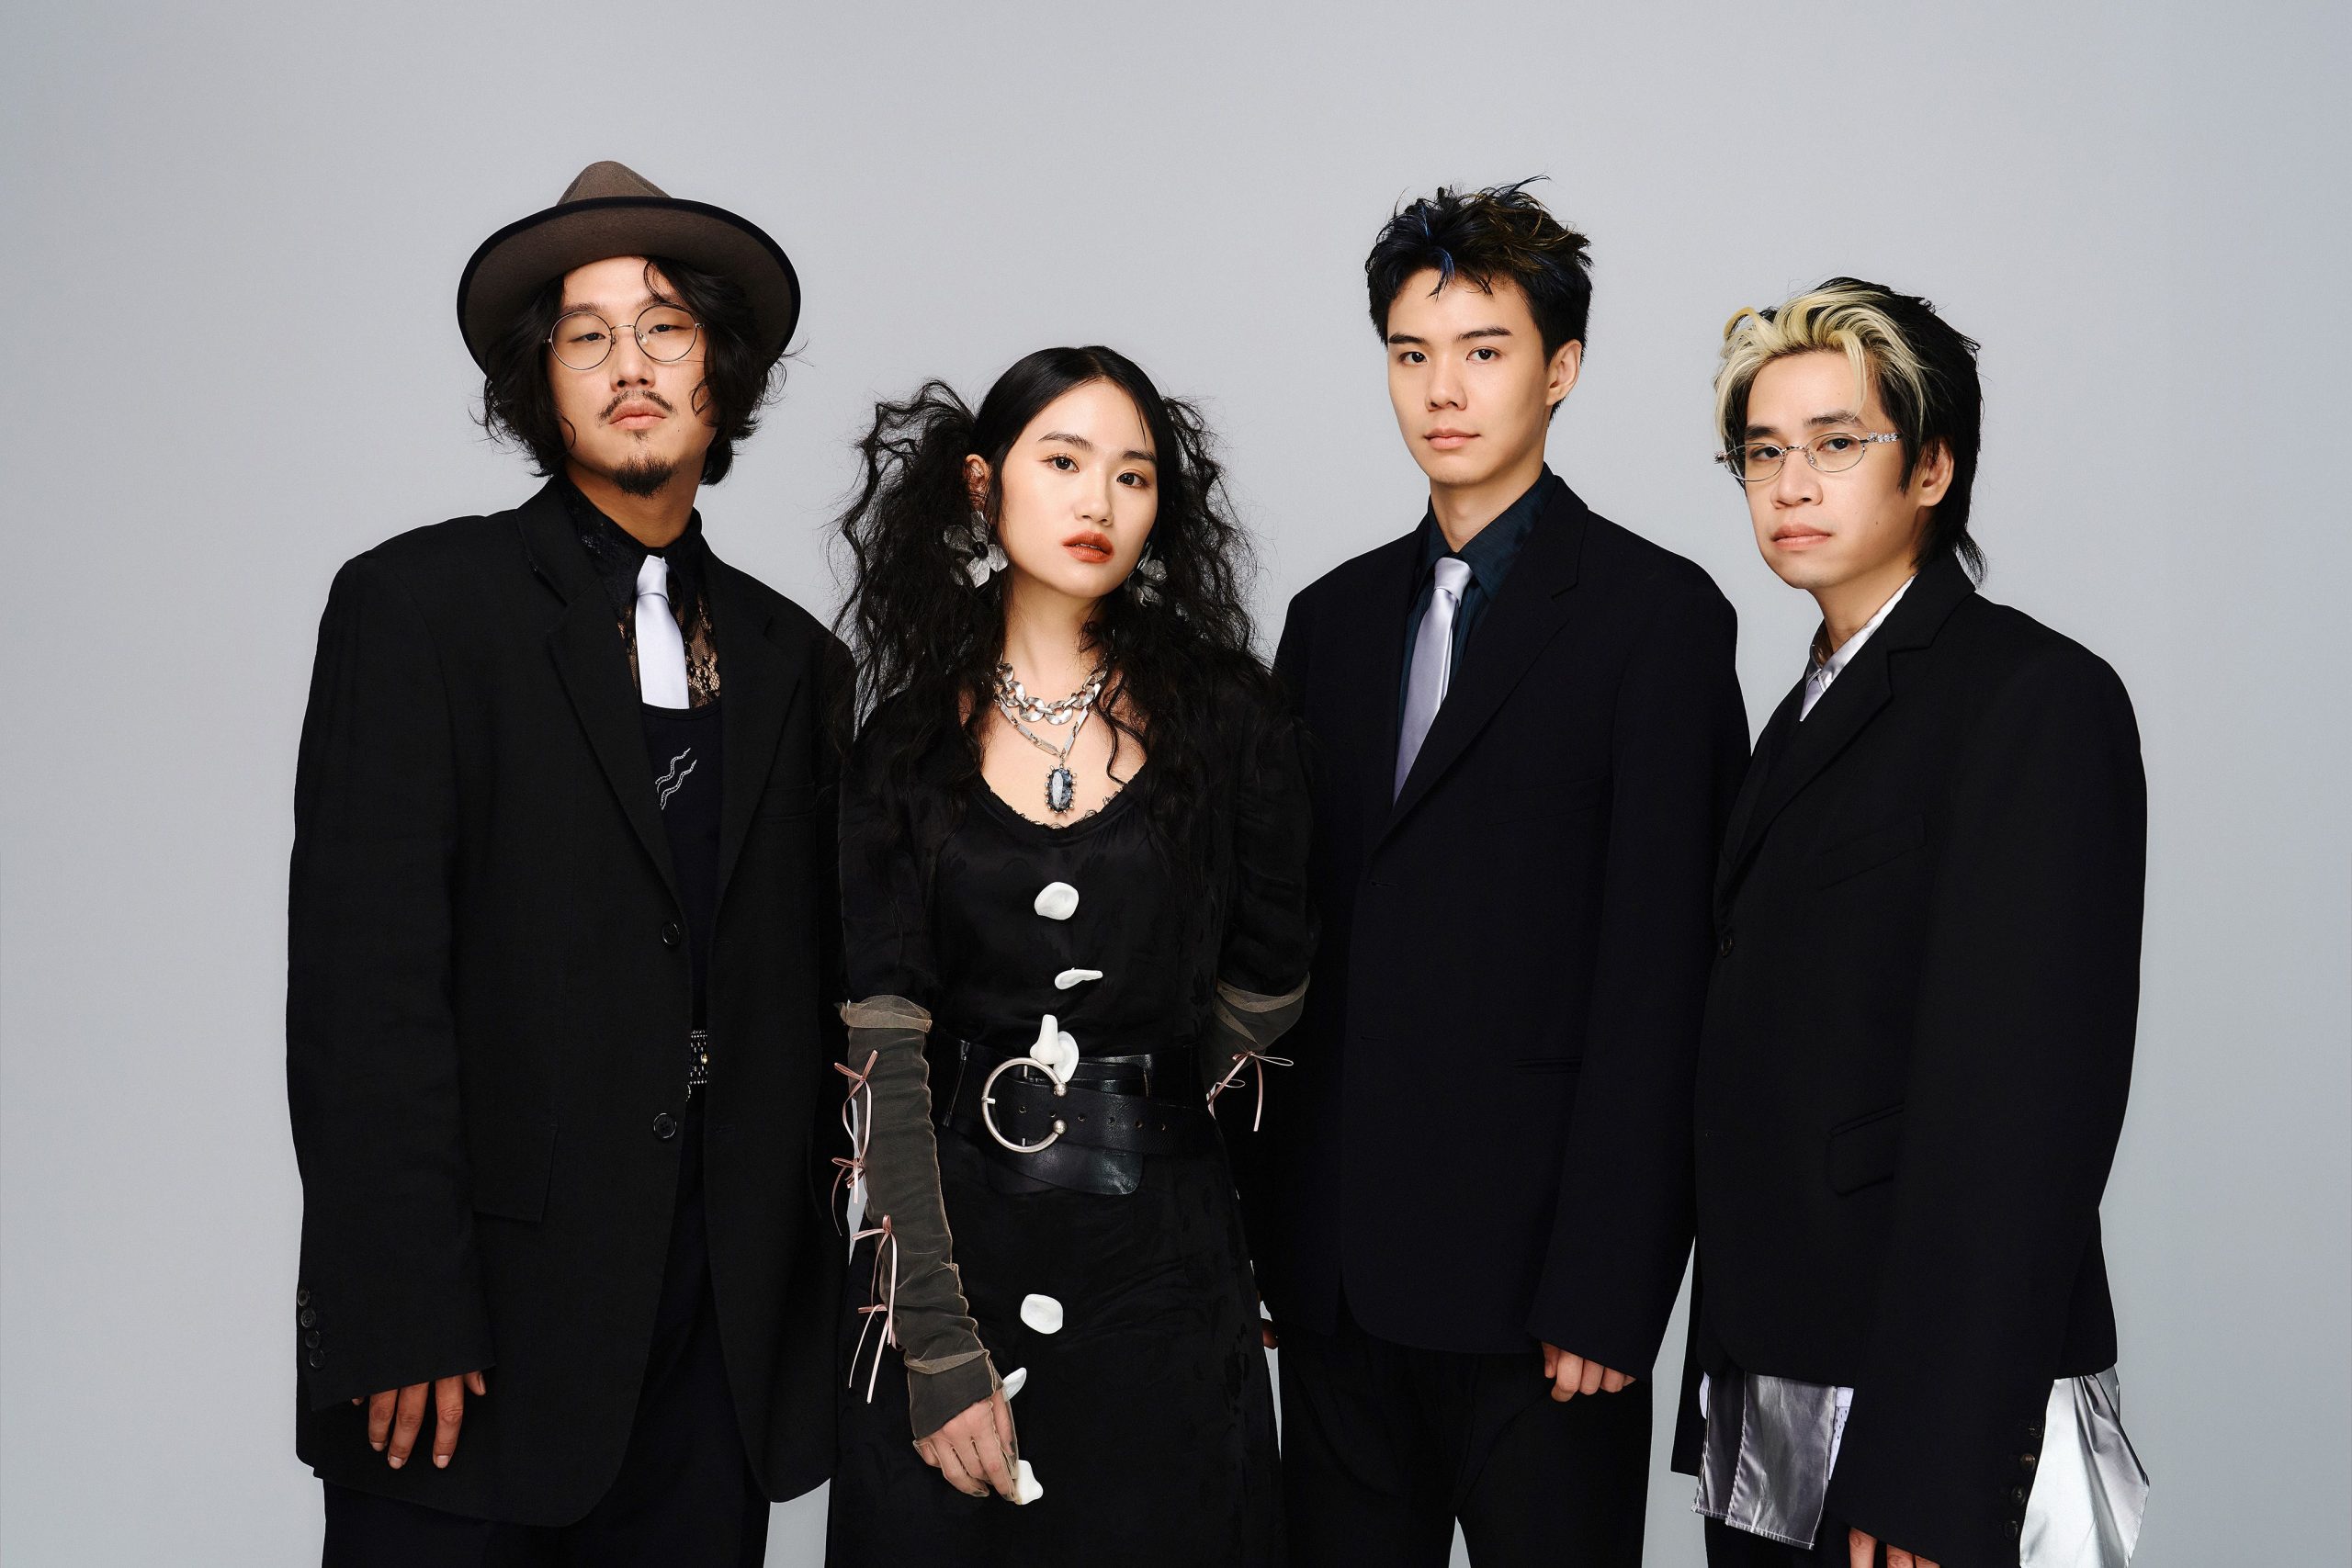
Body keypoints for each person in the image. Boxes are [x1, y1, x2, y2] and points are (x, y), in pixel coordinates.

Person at [287, 160, 844, 1565]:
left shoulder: (798, 664)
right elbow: (363, 994)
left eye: (665, 328)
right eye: (587, 336)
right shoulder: (419, 609)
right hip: (477, 1330)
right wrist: (399, 1307)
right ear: (542, 383)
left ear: (723, 371)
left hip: (714, 1341)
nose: (630, 366)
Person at [1254, 180, 1750, 1567]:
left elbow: (1666, 977)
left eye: (1483, 351)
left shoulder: (1657, 619)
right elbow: (1291, 945)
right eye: (1411, 354)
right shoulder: (1333, 620)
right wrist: (1274, 1237)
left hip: (1546, 1301)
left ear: (1561, 369)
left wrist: (1612, 1283)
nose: (1443, 391)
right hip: (1340, 1283)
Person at [1679, 279, 2150, 1568]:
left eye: (1837, 443)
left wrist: (1934, 1459)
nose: (1791, 483)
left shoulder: (2034, 699)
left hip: (1921, 1424)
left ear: (1932, 468)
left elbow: (2026, 1119)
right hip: (1776, 1382)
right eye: (1762, 452)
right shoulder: (1799, 712)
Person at [820, 345, 1315, 1567]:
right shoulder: (903, 746)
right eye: (1063, 462)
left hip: (1167, 1275)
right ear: (980, 485)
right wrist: (936, 1344)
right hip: (952, 1261)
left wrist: (1139, 1102)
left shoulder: (1231, 716)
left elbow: (1272, 976)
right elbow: (884, 1055)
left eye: (1133, 476)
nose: (1100, 502)